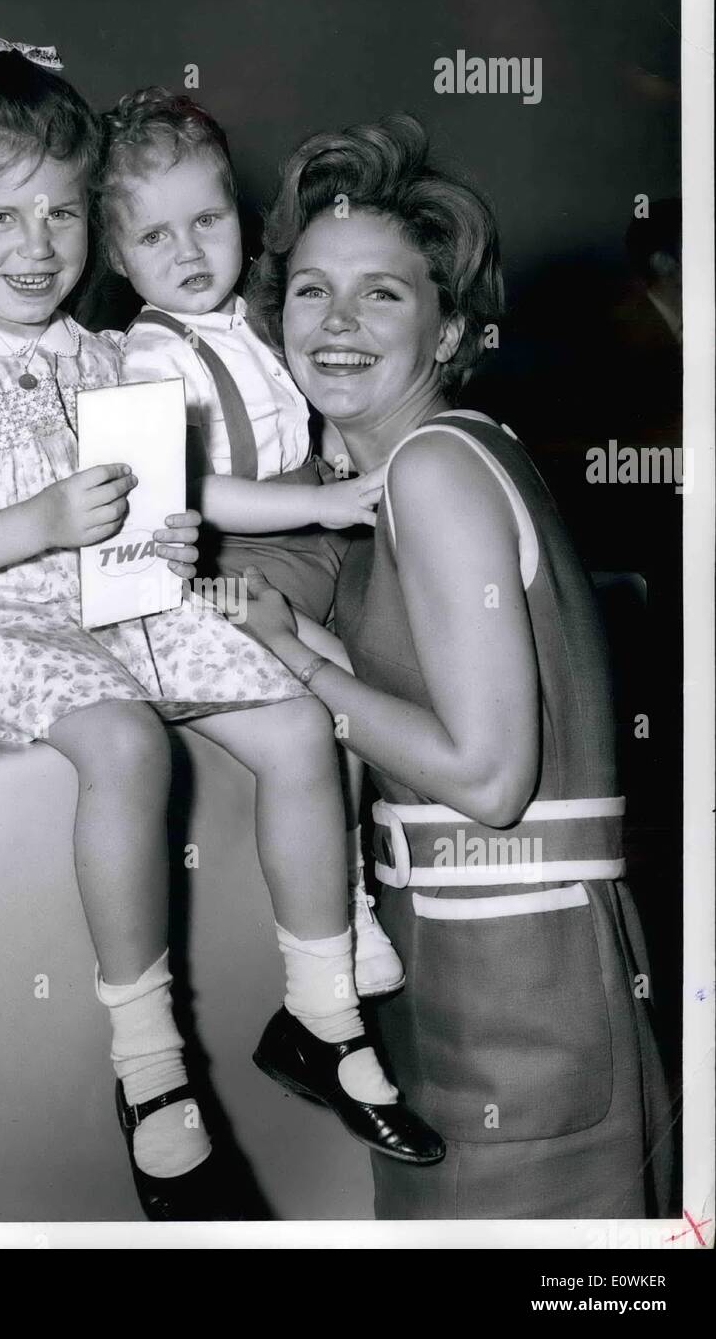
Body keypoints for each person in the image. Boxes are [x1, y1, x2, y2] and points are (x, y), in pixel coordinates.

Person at [0, 41, 443, 1222]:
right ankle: (150, 1070)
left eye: (60, 213)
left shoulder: (104, 356)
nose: (37, 246)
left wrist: (156, 543)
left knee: (299, 713)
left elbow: (162, 506)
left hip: (93, 604)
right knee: (122, 742)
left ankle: (320, 1013)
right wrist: (39, 517)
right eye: (0, 215)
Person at [237, 114, 674, 1219]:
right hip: (478, 965)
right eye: (308, 290)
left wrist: (307, 670)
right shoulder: (429, 465)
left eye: (380, 293)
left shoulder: (433, 469)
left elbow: (486, 779)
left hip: (514, 984)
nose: (334, 323)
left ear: (443, 331)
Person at [97, 85, 403, 997]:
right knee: (333, 696)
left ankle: (358, 892)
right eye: (155, 237)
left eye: (207, 220)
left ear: (242, 216)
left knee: (376, 682)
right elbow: (195, 493)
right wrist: (334, 503)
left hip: (312, 537)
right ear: (117, 255)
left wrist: (344, 463)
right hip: (236, 566)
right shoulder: (148, 357)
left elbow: (308, 420)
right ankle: (340, 916)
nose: (188, 252)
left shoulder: (255, 321)